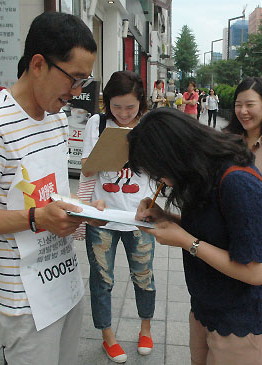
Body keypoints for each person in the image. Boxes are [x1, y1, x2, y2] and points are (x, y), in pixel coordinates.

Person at [0, 12, 104, 365]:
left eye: (85, 81)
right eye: (74, 79)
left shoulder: (56, 119)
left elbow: (51, 192)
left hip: (63, 278)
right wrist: (37, 218)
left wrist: (83, 211)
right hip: (23, 300)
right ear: (37, 64)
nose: (78, 92)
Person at [129, 108, 262, 364]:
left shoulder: (237, 182)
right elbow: (216, 233)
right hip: (206, 308)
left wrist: (183, 240)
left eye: (160, 173)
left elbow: (255, 272)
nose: (163, 182)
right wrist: (167, 218)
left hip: (242, 320)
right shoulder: (202, 174)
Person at [81, 71, 156, 364]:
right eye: (116, 107)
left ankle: (146, 328)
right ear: (106, 103)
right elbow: (86, 169)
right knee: (102, 279)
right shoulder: (96, 123)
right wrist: (106, 155)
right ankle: (108, 336)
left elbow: (163, 170)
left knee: (144, 276)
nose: (123, 114)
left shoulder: (150, 126)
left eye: (130, 107)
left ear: (141, 103)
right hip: (102, 217)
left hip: (140, 217)